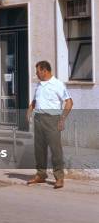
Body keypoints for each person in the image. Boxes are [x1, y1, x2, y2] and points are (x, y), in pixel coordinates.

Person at [26, 60, 73, 190]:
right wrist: (29, 111)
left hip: (53, 119)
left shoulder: (58, 84)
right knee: (39, 150)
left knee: (55, 150)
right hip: (39, 119)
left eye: (38, 71)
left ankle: (59, 178)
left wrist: (62, 118)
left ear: (45, 70)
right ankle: (41, 175)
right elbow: (35, 101)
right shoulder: (39, 85)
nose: (36, 74)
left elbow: (69, 102)